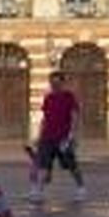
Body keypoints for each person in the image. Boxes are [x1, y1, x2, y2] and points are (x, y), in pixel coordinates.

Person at [30, 70, 87, 202]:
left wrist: (72, 136)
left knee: (71, 165)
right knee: (43, 165)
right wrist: (39, 136)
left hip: (63, 138)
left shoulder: (69, 97)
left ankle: (81, 188)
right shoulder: (48, 98)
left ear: (63, 83)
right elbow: (45, 119)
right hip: (47, 137)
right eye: (52, 82)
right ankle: (39, 192)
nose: (54, 85)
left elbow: (75, 117)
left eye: (57, 82)